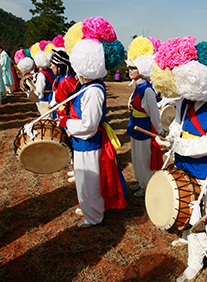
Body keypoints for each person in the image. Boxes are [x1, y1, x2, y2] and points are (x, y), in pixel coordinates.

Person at [152, 37, 207, 282]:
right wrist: (168, 138)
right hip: (182, 162)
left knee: (199, 213)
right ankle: (188, 236)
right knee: (184, 201)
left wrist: (179, 144)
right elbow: (177, 125)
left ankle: (195, 262)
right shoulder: (186, 101)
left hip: (204, 168)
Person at [58, 17, 127, 228]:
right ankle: (89, 207)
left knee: (90, 182)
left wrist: (66, 123)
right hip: (83, 143)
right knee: (83, 180)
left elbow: (89, 125)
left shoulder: (94, 90)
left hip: (89, 143)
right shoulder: (87, 87)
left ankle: (94, 215)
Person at [125, 36, 164, 198]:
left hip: (144, 128)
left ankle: (147, 185)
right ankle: (141, 182)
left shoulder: (147, 90)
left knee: (144, 160)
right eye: (130, 68)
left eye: (133, 68)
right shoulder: (139, 87)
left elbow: (154, 113)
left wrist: (160, 131)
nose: (130, 71)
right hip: (136, 125)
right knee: (136, 158)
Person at [31, 41, 55, 117]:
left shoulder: (41, 74)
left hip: (45, 99)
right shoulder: (52, 71)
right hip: (53, 96)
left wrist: (37, 93)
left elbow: (40, 90)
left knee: (46, 118)